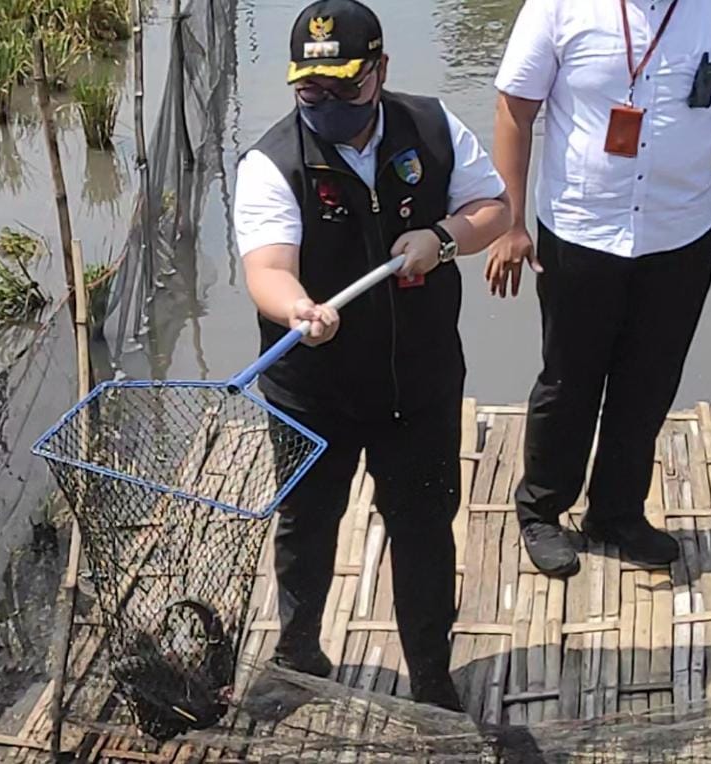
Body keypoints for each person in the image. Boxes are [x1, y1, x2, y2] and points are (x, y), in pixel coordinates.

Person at [234, 0, 512, 710]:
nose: (326, 104)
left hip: (416, 383)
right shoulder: (272, 162)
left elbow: (494, 208)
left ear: (380, 72)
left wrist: (443, 238)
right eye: (310, 90)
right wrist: (296, 305)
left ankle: (429, 674)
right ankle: (299, 655)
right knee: (305, 523)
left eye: (345, 87)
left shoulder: (433, 128)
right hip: (313, 388)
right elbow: (266, 267)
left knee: (423, 527)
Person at [487, 0, 711, 577]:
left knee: (649, 381)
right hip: (579, 228)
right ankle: (542, 510)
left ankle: (616, 513)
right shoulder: (559, 6)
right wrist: (510, 223)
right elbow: (515, 110)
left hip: (680, 229)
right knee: (569, 379)